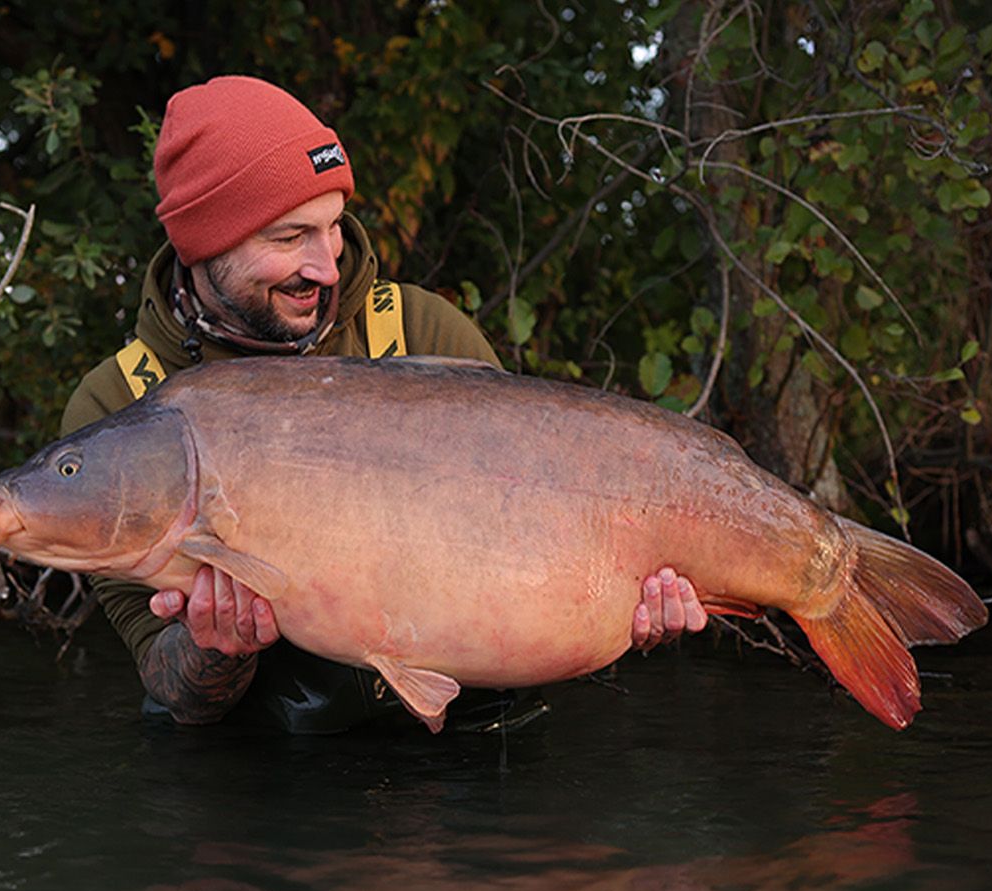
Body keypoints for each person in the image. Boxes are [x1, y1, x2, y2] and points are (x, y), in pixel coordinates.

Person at [58, 76, 706, 734]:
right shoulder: (121, 404)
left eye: (333, 228)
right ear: (206, 245)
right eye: (289, 238)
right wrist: (216, 643)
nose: (327, 267)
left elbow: (545, 548)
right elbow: (175, 691)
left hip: (469, 750)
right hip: (271, 785)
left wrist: (633, 609)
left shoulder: (421, 332)